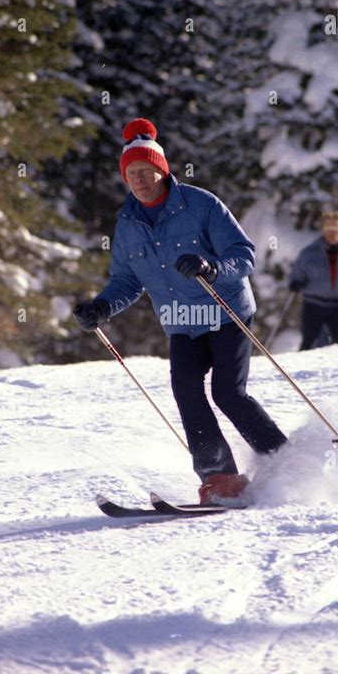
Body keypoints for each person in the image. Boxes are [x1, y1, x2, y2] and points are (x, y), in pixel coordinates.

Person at [73, 117, 287, 505]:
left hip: (225, 313)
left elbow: (244, 254)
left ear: (162, 169)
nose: (139, 179)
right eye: (131, 173)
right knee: (186, 390)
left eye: (146, 170)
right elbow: (127, 280)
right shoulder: (127, 223)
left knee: (228, 393)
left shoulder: (201, 204)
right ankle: (219, 477)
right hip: (182, 324)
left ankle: (285, 462)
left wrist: (212, 267)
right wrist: (102, 306)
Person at [289, 211, 338, 351]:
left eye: (336, 227)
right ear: (322, 229)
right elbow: (297, 273)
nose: (332, 232)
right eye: (328, 227)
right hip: (313, 304)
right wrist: (295, 283)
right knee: (308, 343)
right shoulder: (309, 253)